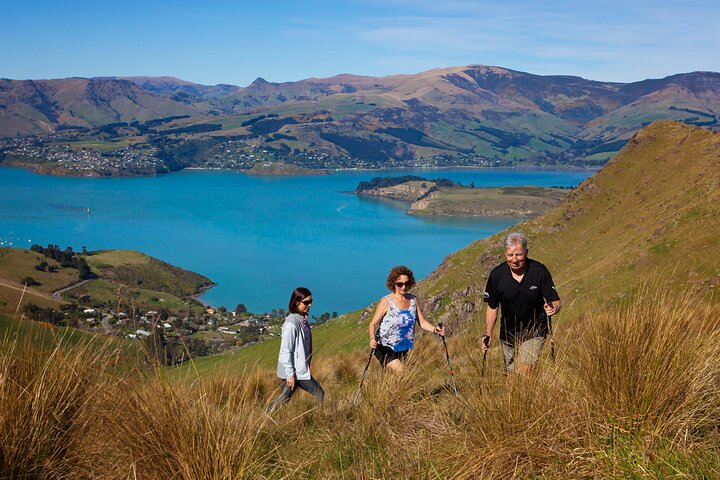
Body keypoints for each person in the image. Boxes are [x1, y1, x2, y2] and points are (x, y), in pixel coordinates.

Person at [482, 232, 561, 376]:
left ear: (526, 252)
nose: (514, 260)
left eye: (518, 255)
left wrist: (553, 308)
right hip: (508, 333)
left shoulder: (539, 271)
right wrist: (488, 334)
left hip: (534, 331)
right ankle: (516, 399)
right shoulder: (496, 275)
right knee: (511, 376)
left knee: (524, 373)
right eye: (510, 255)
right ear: (505, 254)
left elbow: (555, 300)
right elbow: (492, 307)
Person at [368, 266, 445, 372]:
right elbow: (372, 324)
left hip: (404, 347)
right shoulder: (386, 301)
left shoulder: (413, 300)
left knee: (397, 380)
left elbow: (422, 322)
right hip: (384, 347)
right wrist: (372, 339)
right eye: (400, 284)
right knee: (403, 372)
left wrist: (436, 330)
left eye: (406, 283)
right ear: (393, 283)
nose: (403, 287)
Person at [267, 287, 324, 413]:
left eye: (311, 301)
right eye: (306, 302)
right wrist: (290, 374)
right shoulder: (291, 324)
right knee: (319, 393)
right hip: (293, 371)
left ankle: (267, 416)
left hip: (298, 369)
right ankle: (266, 417)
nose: (309, 305)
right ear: (296, 302)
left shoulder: (301, 318)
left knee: (284, 397)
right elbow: (286, 350)